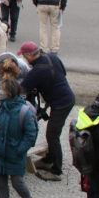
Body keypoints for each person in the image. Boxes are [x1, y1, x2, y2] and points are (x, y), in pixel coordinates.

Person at [19, 41, 75, 181]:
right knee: (52, 133)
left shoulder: (36, 72)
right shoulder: (52, 57)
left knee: (52, 135)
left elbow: (20, 90)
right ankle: (48, 159)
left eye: (24, 56)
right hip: (68, 97)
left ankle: (56, 171)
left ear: (29, 55)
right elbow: (64, 72)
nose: (24, 58)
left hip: (61, 104)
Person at [0, 78, 37, 198]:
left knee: (17, 182)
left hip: (15, 153)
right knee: (0, 181)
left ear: (10, 92)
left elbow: (30, 134)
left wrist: (19, 150)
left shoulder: (24, 111)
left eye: (2, 89)